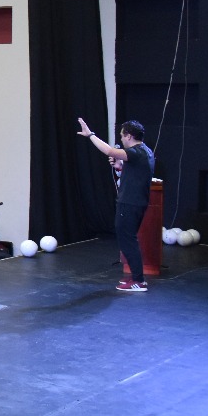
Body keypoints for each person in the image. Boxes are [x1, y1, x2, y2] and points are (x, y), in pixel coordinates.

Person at [78, 118, 155, 292]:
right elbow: (135, 173)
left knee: (127, 240)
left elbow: (108, 150)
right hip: (136, 202)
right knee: (129, 239)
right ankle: (137, 278)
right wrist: (119, 166)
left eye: (121, 135)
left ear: (128, 136)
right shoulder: (146, 151)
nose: (121, 139)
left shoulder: (136, 152)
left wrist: (90, 135)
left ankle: (138, 280)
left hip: (130, 203)